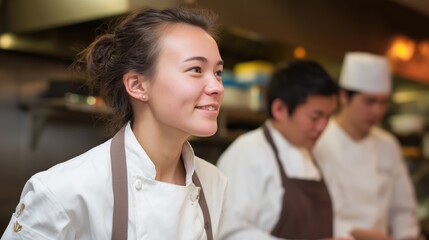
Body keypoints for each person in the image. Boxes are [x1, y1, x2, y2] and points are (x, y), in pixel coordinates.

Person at [2, 7, 227, 240]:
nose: (217, 87)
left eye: (218, 72)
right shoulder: (63, 192)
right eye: (196, 69)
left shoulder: (214, 182)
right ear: (138, 85)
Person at [217, 60, 339, 239]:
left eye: (328, 117)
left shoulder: (314, 153)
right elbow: (231, 233)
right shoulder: (247, 152)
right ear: (279, 109)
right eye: (315, 117)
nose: (323, 127)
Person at [313, 52, 421, 240]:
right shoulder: (319, 141)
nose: (377, 111)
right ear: (344, 97)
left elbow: (403, 209)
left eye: (383, 102)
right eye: (369, 101)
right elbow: (315, 210)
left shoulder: (388, 145)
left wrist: (408, 236)